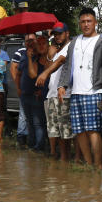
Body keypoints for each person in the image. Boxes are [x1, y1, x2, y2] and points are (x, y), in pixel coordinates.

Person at [58, 8, 102, 168]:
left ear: (95, 22)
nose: (86, 24)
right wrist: (62, 85)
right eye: (83, 21)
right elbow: (67, 66)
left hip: (94, 91)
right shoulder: (74, 42)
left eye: (89, 21)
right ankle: (89, 164)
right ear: (79, 23)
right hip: (76, 92)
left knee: (93, 130)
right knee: (79, 131)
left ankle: (98, 165)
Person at [40, 23, 72, 160]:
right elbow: (48, 65)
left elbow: (60, 61)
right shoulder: (56, 50)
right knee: (54, 129)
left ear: (67, 33)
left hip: (64, 93)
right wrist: (49, 55)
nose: (57, 36)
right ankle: (56, 157)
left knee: (66, 129)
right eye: (55, 34)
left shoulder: (70, 47)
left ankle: (66, 158)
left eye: (60, 33)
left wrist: (46, 72)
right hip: (51, 93)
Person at [12, 34, 46, 151]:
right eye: (28, 41)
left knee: (38, 123)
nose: (30, 43)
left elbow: (33, 74)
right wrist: (18, 88)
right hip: (25, 94)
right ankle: (32, 145)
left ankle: (39, 147)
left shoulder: (41, 56)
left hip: (36, 94)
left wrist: (31, 57)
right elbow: (18, 73)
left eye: (32, 40)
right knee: (30, 122)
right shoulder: (24, 56)